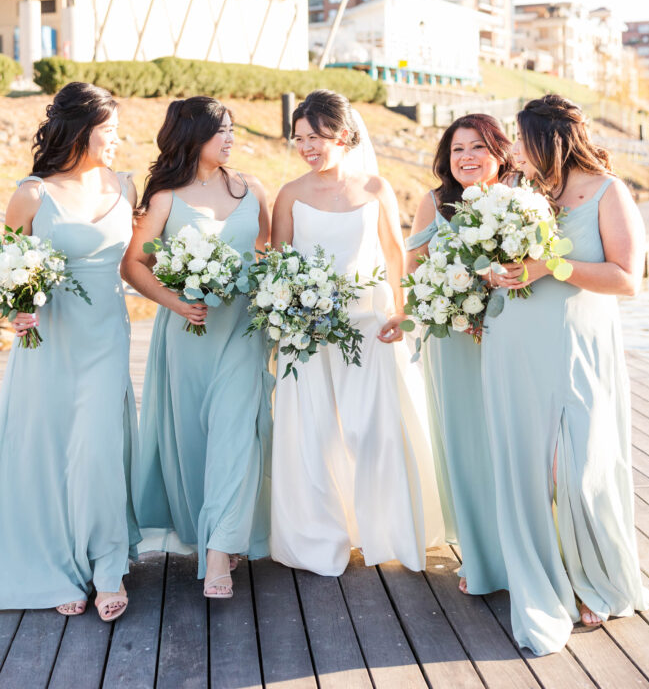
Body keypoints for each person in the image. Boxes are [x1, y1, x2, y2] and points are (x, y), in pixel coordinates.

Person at [482, 94, 649, 655]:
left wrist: (548, 265)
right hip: (516, 343)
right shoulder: (525, 194)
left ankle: (595, 578)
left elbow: (627, 278)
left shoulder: (609, 191)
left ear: (547, 139)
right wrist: (498, 273)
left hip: (580, 344)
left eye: (519, 137)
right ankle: (549, 574)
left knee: (582, 466)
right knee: (529, 467)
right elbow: (506, 260)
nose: (511, 149)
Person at [269, 89, 443, 576]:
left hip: (370, 327)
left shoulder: (375, 189)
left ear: (343, 136)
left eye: (315, 137)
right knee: (314, 432)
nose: (305, 147)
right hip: (306, 332)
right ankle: (322, 539)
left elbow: (394, 257)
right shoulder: (291, 194)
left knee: (373, 432)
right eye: (299, 138)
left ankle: (384, 531)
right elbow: (278, 265)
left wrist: (403, 314)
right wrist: (289, 317)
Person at [122, 97, 272, 599]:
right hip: (191, 332)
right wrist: (176, 302)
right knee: (194, 440)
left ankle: (218, 554)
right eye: (219, 131)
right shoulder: (165, 197)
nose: (229, 138)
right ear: (192, 135)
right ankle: (213, 532)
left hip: (245, 331)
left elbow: (268, 253)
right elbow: (134, 265)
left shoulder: (252, 188)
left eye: (231, 129)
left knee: (235, 429)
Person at [0, 82, 139, 621]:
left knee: (98, 449)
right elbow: (6, 267)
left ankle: (107, 566)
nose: (117, 139)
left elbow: (136, 261)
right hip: (48, 338)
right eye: (110, 130)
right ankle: (57, 563)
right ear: (82, 130)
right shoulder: (33, 194)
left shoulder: (126, 185)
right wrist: (13, 312)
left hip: (106, 334)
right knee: (51, 449)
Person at [406, 114, 513, 595]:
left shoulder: (520, 202)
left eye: (477, 147)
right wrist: (447, 300)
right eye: (457, 150)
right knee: (466, 443)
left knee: (510, 441)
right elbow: (412, 271)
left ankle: (522, 546)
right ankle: (478, 552)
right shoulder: (433, 204)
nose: (467, 157)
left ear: (499, 152)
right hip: (452, 340)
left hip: (510, 337)